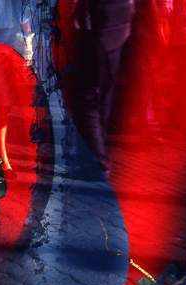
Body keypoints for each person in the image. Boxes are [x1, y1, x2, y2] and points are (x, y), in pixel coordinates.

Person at [73, 0, 135, 172]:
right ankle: (99, 151)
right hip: (118, 32)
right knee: (105, 96)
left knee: (88, 99)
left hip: (99, 32)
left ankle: (98, 158)